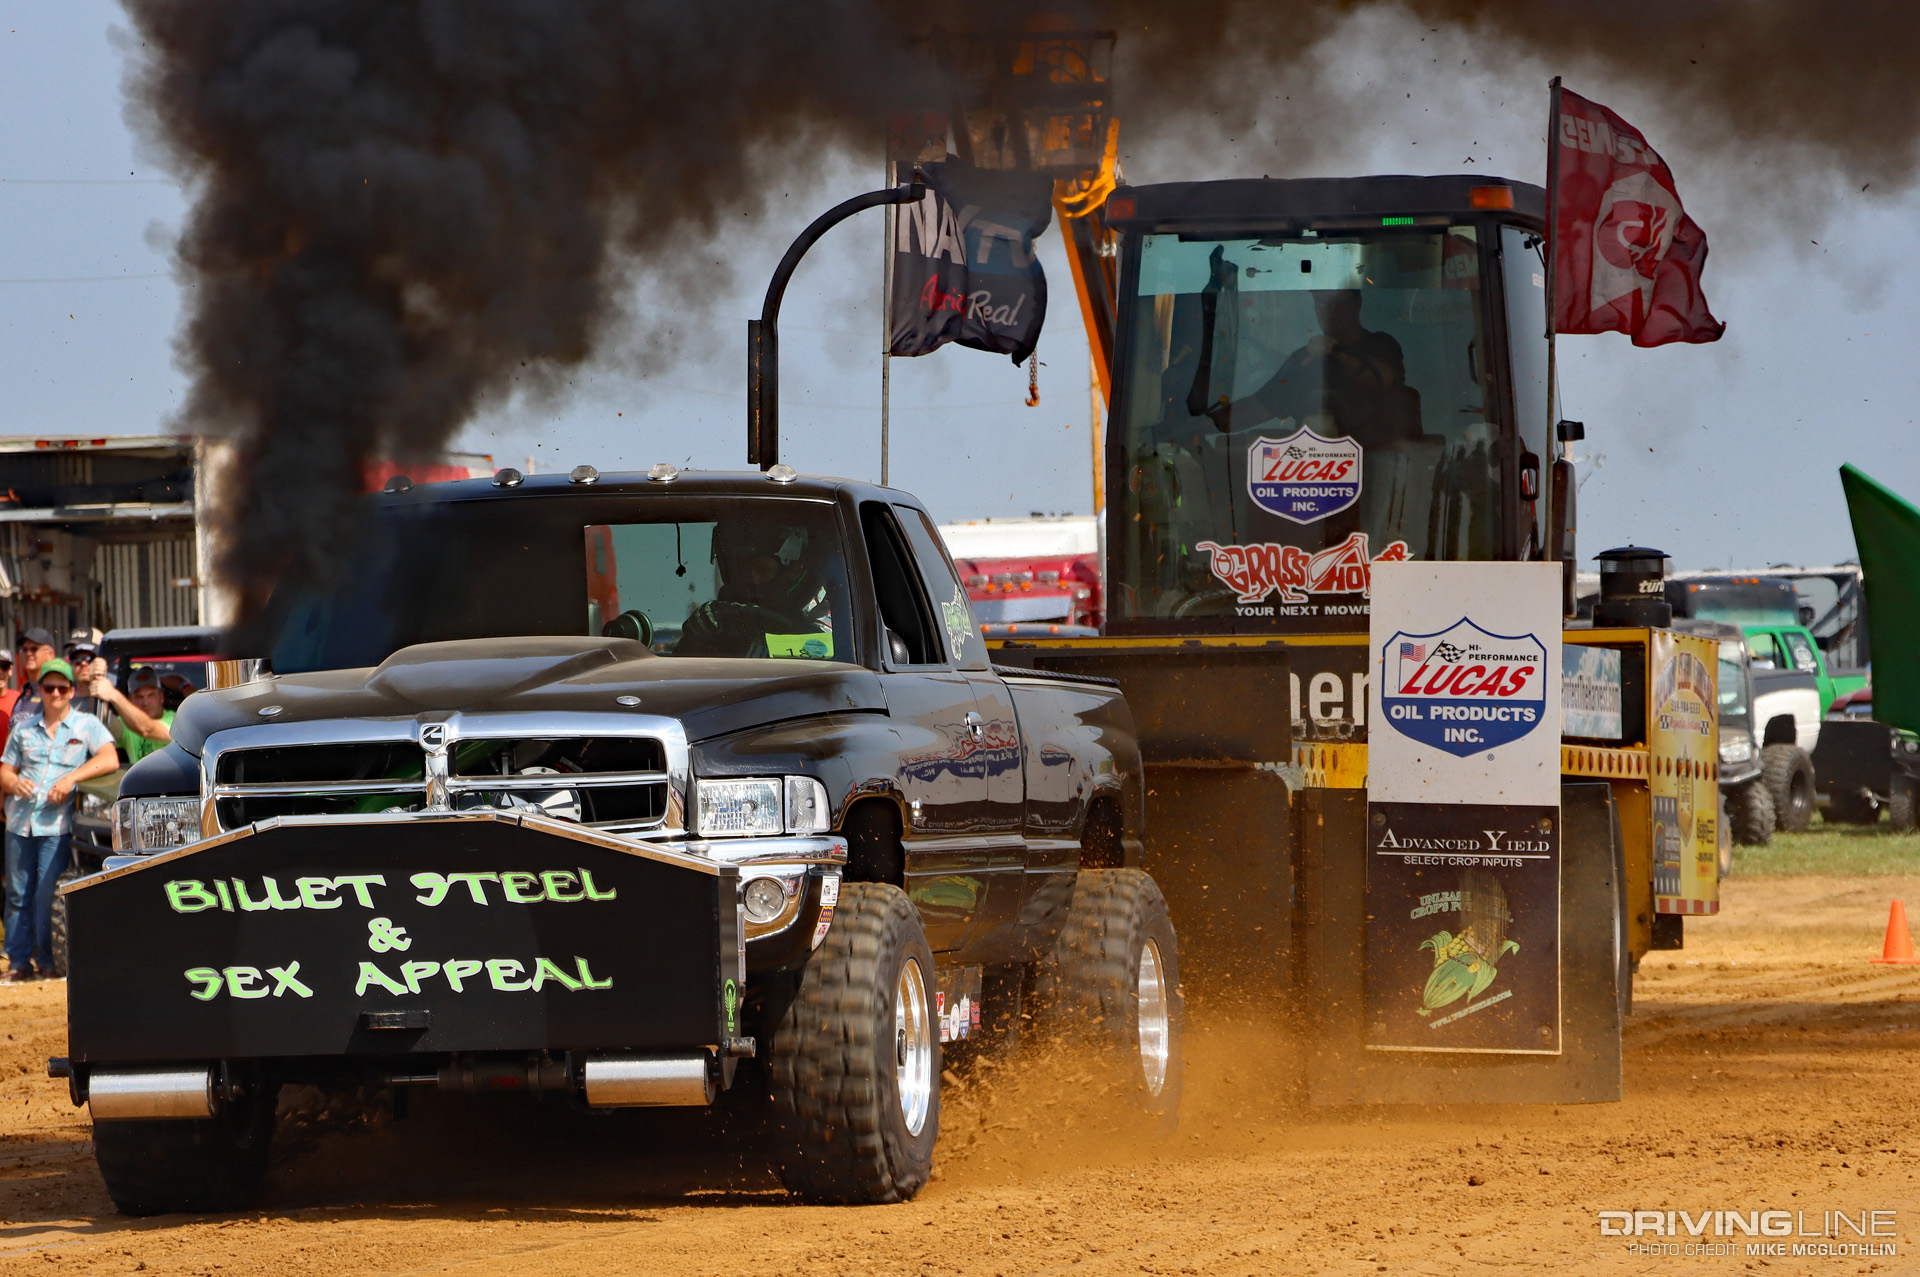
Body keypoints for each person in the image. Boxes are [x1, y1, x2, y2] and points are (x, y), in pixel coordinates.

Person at [1, 659, 117, 980]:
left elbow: (109, 758)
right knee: (17, 894)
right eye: (49, 687)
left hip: (57, 825)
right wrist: (13, 784)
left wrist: (71, 780)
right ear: (40, 691)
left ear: (70, 691)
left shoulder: (87, 725)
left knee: (48, 893)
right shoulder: (23, 729)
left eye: (62, 688)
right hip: (19, 822)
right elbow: (5, 771)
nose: (55, 693)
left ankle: (49, 961)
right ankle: (19, 962)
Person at [1207, 288, 1422, 448]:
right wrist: (1202, 419)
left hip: (1375, 463)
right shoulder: (1302, 360)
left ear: (1357, 303)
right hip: (1311, 471)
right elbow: (1258, 409)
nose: (1326, 310)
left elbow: (1383, 381)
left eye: (1335, 301)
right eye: (1319, 301)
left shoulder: (1382, 345)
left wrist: (1335, 351)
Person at [674, 521, 834, 658]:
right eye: (746, 570)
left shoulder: (826, 611)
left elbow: (822, 652)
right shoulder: (725, 609)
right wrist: (698, 633)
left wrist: (741, 617)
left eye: (764, 570)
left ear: (795, 570)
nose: (753, 579)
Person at [91, 665, 173, 764]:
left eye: (151, 695)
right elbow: (104, 720)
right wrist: (94, 682)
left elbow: (148, 729)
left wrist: (113, 694)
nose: (145, 702)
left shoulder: (176, 719)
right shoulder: (127, 721)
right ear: (130, 700)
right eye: (139, 697)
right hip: (138, 778)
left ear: (161, 697)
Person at [10, 628, 58, 728]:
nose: (28, 653)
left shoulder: (55, 692)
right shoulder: (23, 695)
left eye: (34, 649)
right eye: (25, 649)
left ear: (51, 655)